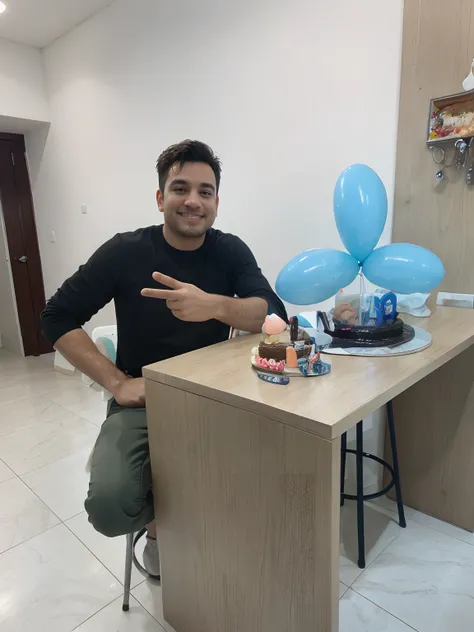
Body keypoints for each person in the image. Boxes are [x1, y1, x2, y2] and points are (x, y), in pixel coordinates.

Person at [40, 139, 287, 578]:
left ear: (216, 202)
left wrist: (213, 305)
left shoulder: (230, 250)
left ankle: (211, 530)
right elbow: (56, 316)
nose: (193, 201)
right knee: (110, 507)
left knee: (269, 473)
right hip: (144, 399)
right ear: (160, 198)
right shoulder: (125, 251)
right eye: (180, 188)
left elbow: (273, 315)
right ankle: (159, 528)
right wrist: (116, 383)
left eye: (205, 191)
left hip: (219, 396)